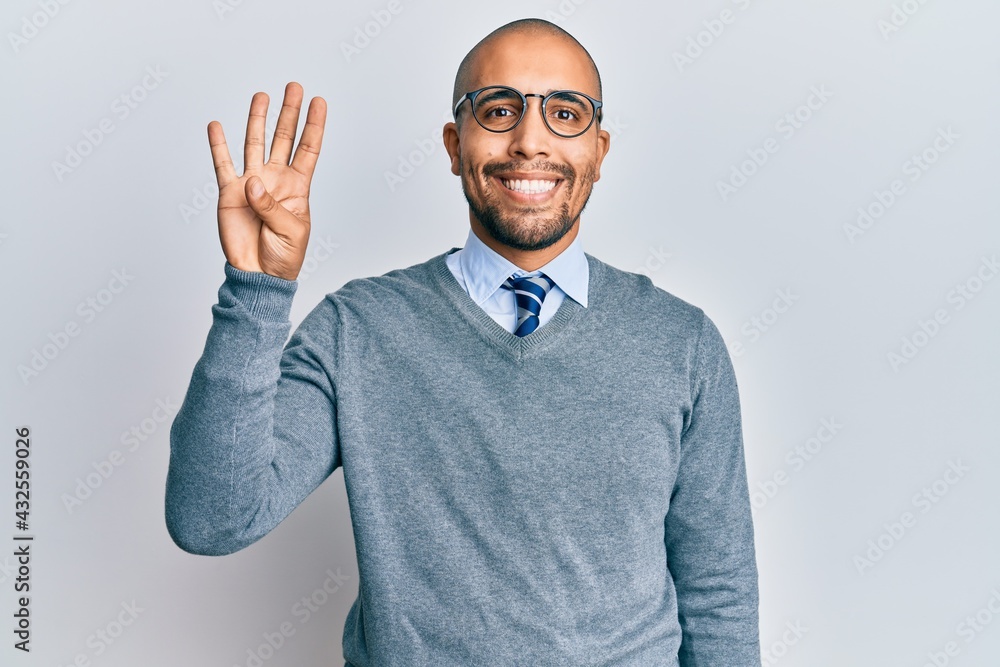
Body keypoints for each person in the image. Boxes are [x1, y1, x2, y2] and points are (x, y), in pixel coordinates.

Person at [165, 17, 761, 667]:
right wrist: (257, 290)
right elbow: (211, 517)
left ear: (599, 150)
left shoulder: (682, 343)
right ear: (455, 144)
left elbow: (717, 596)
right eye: (499, 109)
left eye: (565, 112)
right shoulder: (356, 330)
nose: (530, 140)